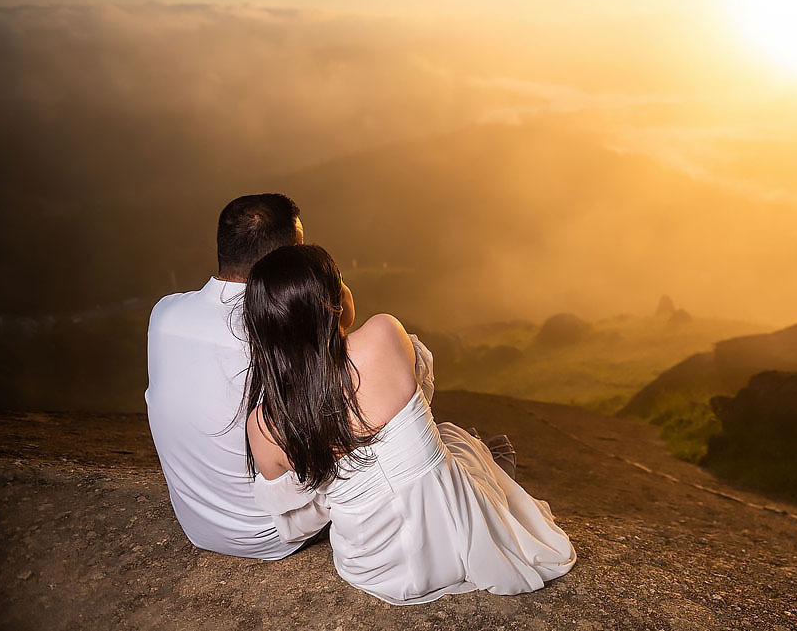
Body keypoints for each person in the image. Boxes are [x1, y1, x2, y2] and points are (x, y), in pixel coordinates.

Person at [243, 244, 576, 604]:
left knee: (447, 442)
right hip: (455, 537)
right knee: (451, 437)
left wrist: (340, 484)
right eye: (341, 281)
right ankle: (488, 472)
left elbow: (296, 527)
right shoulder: (383, 333)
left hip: (372, 565)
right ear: (334, 301)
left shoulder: (264, 425)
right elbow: (422, 397)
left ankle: (482, 464)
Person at [145, 193, 314, 559]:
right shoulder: (281, 332)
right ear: (287, 263)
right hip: (275, 533)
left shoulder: (165, 314)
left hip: (199, 527)